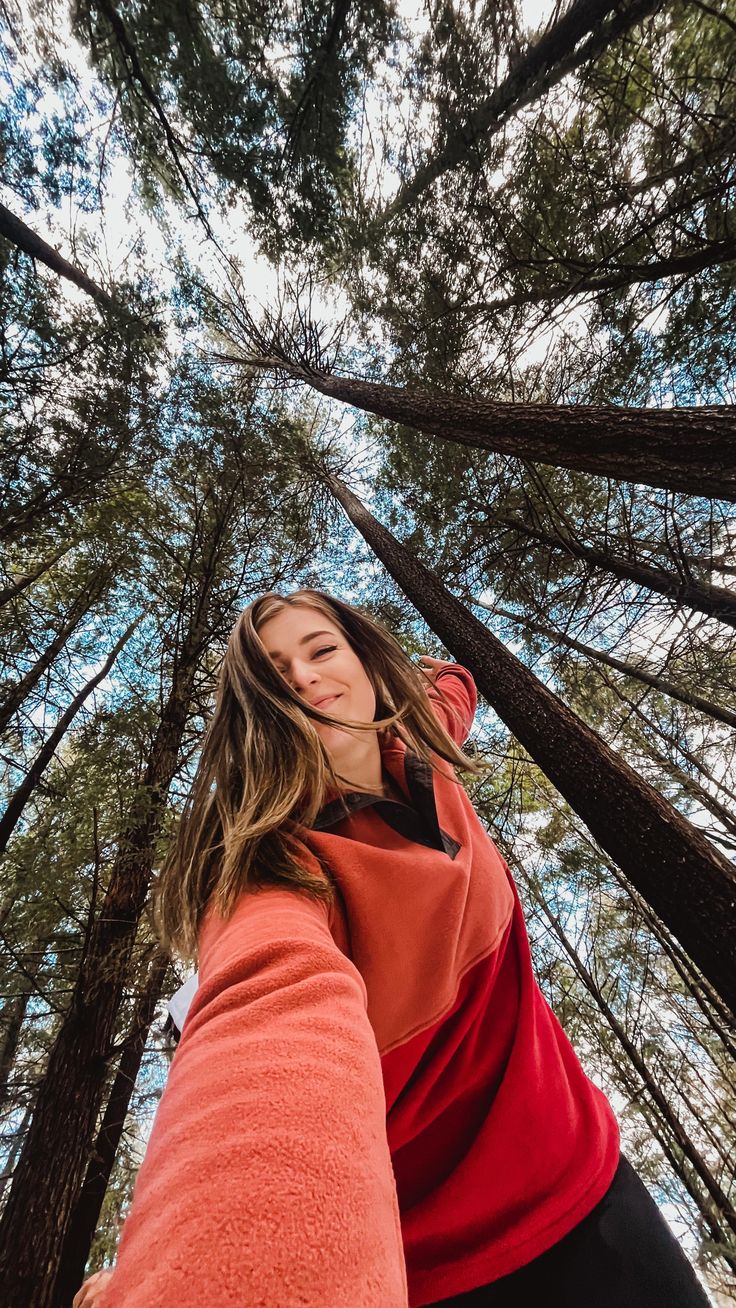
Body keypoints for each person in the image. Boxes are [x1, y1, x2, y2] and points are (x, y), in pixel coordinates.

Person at [73, 589, 711, 1308]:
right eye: (279, 676)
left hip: (595, 1196)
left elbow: (450, 684)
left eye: (322, 650)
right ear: (261, 718)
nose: (309, 677)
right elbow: (266, 1034)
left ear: (368, 666)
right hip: (431, 1273)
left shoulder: (426, 748)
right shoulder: (277, 875)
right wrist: (192, 1265)